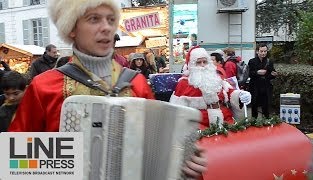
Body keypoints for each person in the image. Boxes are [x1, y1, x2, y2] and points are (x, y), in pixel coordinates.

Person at [9, 0, 206, 178]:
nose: (106, 28)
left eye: (111, 20)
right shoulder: (44, 86)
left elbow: (158, 150)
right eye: (94, 19)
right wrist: (76, 159)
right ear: (71, 28)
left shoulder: (136, 82)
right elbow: (15, 161)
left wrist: (183, 164)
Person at [170, 47, 252, 129]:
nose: (202, 65)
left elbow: (229, 91)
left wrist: (240, 94)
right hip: (200, 126)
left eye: (205, 62)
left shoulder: (216, 78)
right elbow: (177, 111)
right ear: (192, 65)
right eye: (199, 62)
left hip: (225, 121)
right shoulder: (184, 83)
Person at [248, 43, 277, 119]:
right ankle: (254, 122)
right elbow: (249, 74)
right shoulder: (252, 61)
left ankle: (266, 121)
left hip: (265, 87)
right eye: (261, 51)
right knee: (254, 105)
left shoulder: (269, 61)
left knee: (266, 106)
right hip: (255, 87)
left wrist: (273, 75)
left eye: (265, 51)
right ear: (257, 51)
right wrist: (257, 72)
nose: (263, 53)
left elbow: (270, 75)